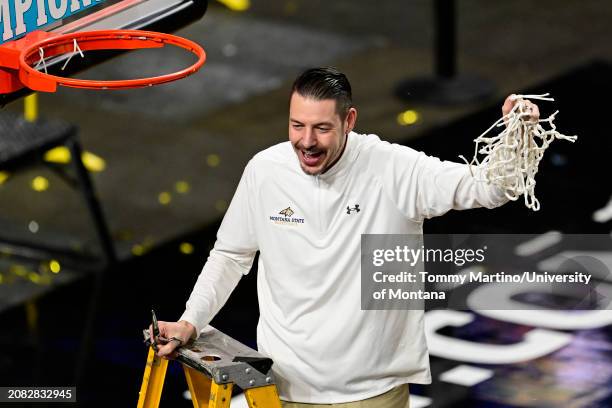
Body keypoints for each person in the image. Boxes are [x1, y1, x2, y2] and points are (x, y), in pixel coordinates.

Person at [152, 67, 540, 407]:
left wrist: (518, 136)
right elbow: (230, 256)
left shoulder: (395, 169)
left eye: (322, 128)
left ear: (349, 120)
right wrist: (191, 321)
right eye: (296, 125)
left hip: (373, 394)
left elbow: (490, 188)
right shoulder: (265, 171)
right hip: (283, 389)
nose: (306, 141)